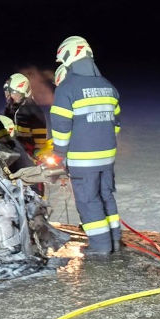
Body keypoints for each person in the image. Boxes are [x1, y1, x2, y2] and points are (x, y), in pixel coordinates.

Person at [50, 35, 122, 256]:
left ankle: (100, 248)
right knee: (106, 196)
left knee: (89, 201)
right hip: (107, 157)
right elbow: (115, 123)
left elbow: (61, 127)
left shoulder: (68, 88)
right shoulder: (107, 85)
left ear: (70, 55)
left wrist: (59, 155)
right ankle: (114, 241)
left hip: (83, 159)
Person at [4, 72, 52, 163]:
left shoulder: (33, 110)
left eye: (14, 92)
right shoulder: (12, 109)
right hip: (15, 150)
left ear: (24, 92)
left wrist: (37, 152)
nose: (11, 96)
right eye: (9, 93)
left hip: (28, 154)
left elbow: (40, 136)